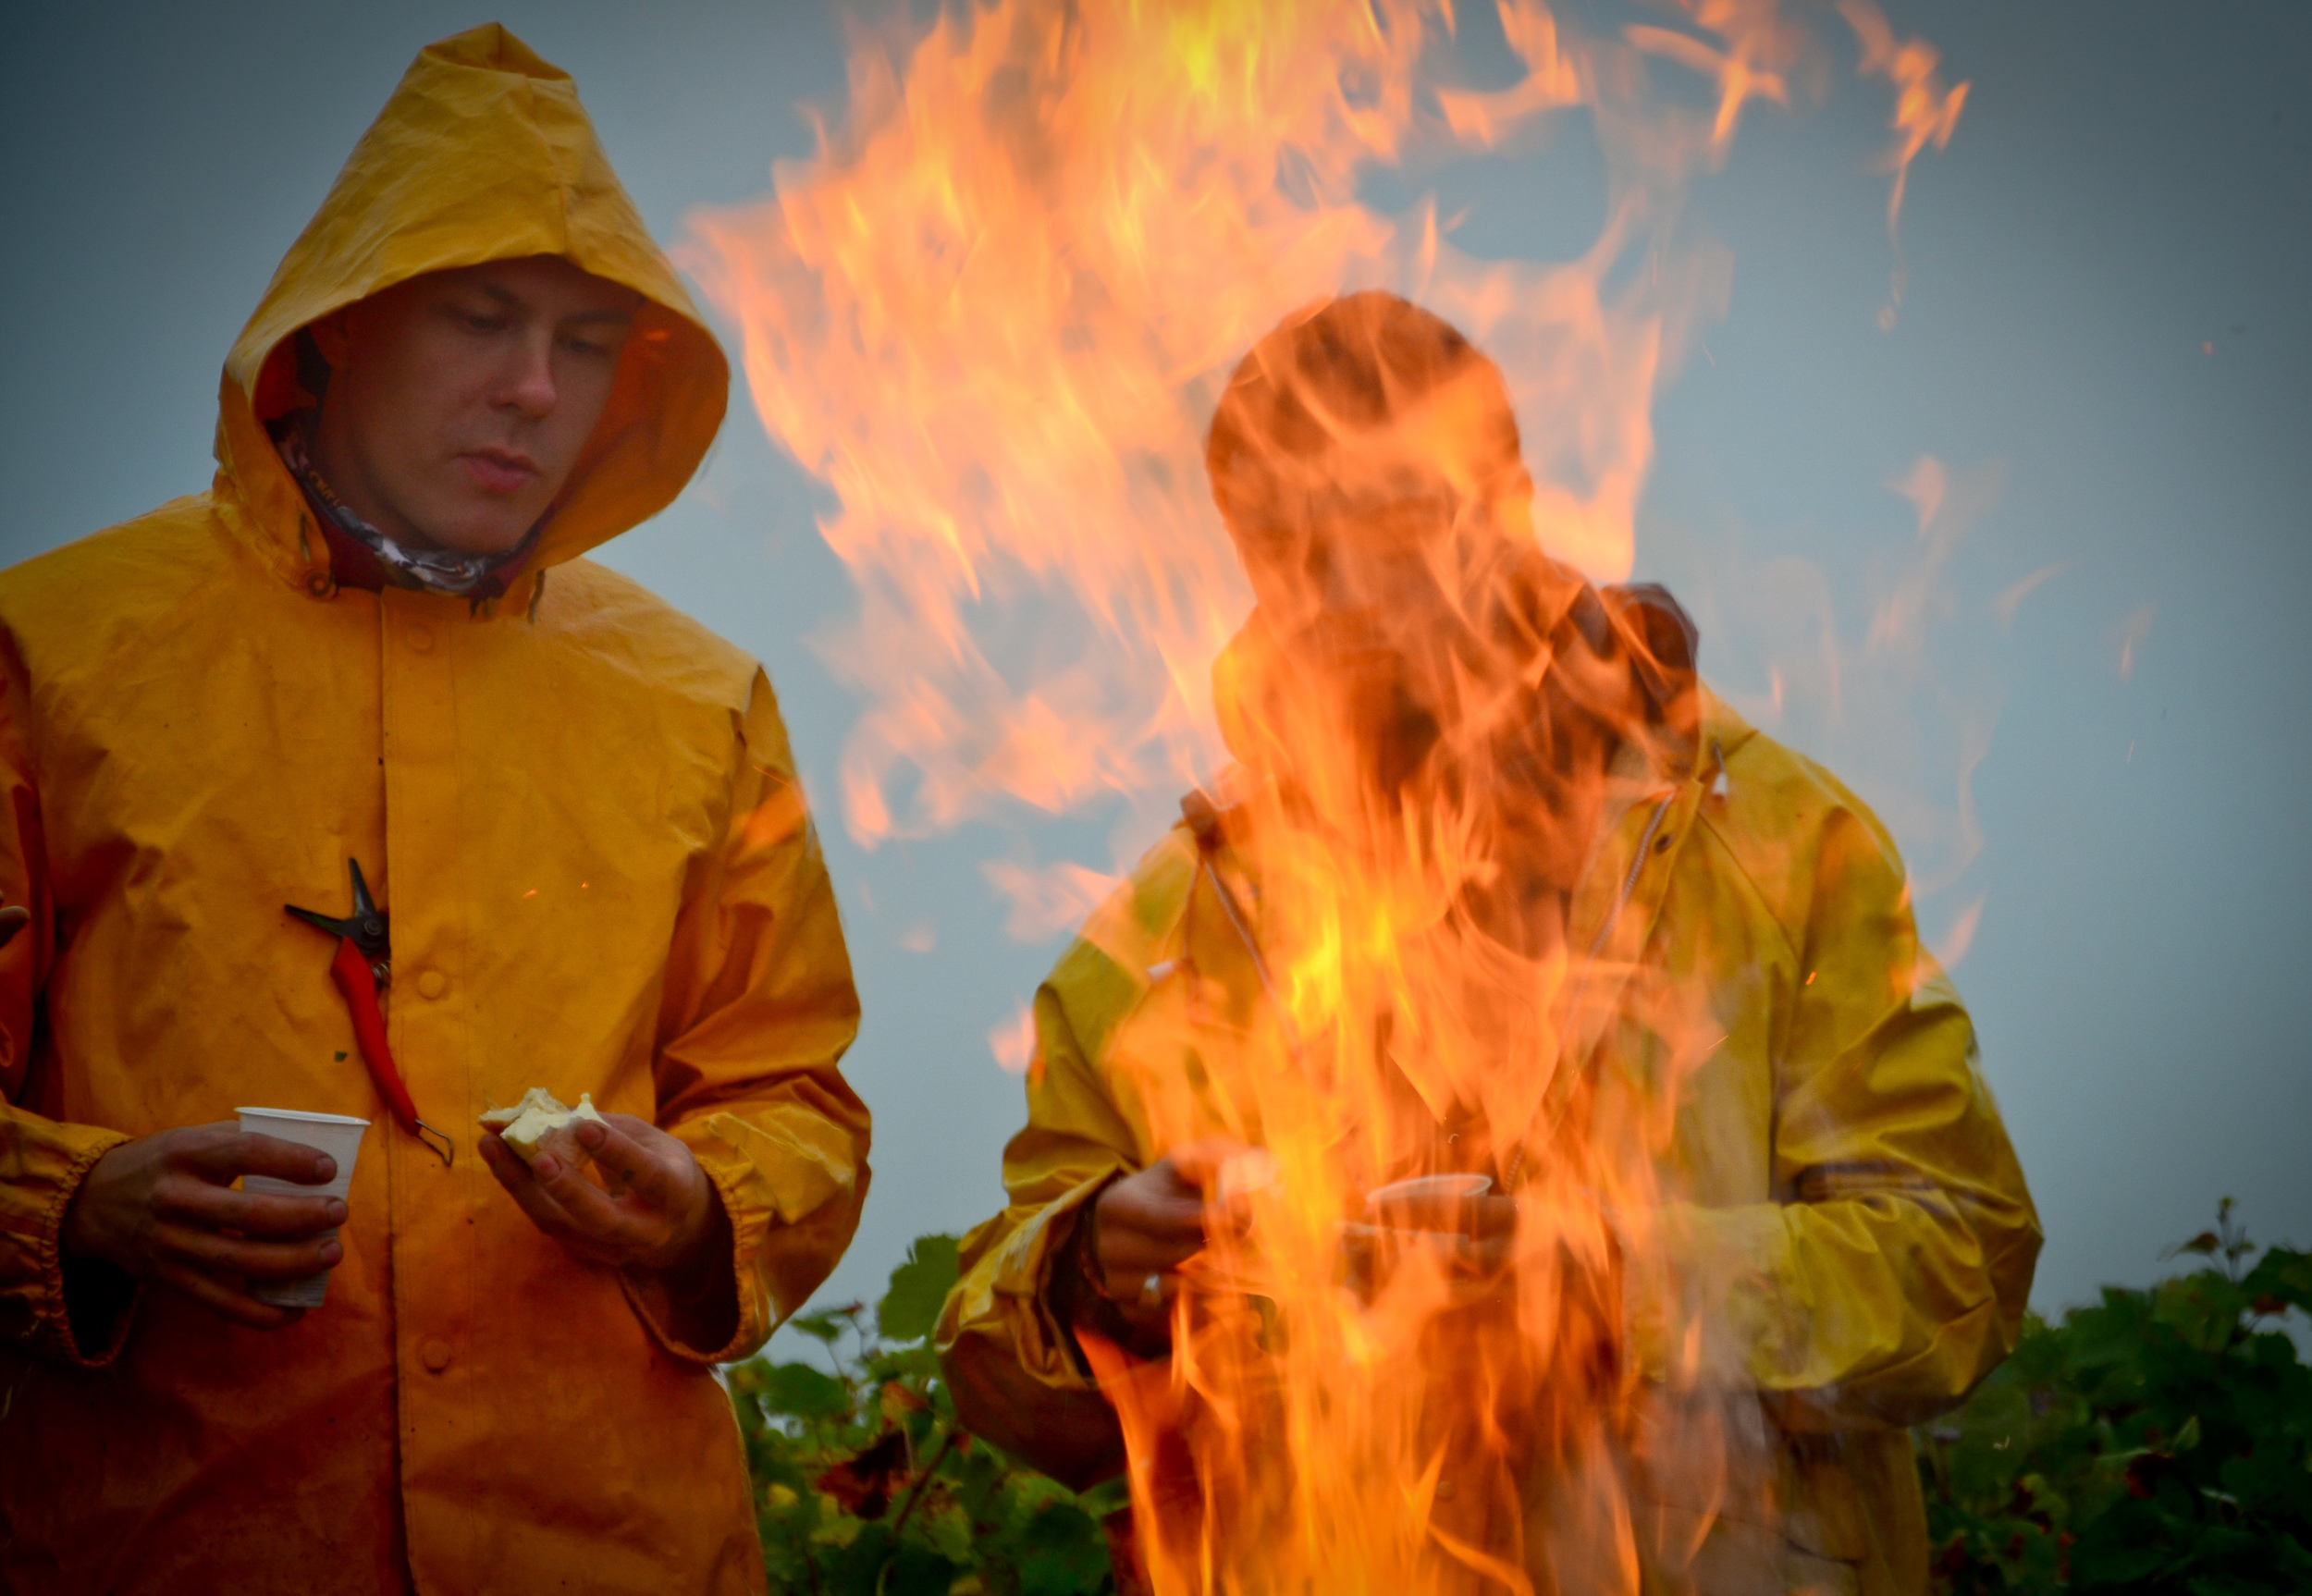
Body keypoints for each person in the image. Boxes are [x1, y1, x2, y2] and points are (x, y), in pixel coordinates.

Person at [937, 292, 2039, 1594]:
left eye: (1400, 524)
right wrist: (1091, 1263)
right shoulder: (1169, 931)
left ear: (1509, 501)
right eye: (1298, 547)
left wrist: (1602, 1282)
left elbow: (1955, 1262)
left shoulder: (1781, 843)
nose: (1353, 591)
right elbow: (998, 1369)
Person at [0, 27, 869, 1595]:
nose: (532, 391)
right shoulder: (51, 653)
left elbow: (790, 1091)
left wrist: (701, 1206)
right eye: (478, 319)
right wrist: (77, 1206)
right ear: (336, 332)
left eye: (588, 343)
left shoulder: (701, 698)